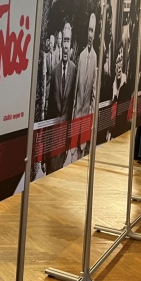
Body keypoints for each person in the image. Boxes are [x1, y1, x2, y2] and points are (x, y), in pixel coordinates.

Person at [45, 22, 77, 174]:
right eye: (64, 40)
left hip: (65, 139)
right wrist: (44, 153)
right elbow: (49, 112)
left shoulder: (74, 70)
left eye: (68, 41)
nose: (65, 45)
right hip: (53, 139)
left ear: (70, 46)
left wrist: (70, 141)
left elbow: (72, 108)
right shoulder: (54, 72)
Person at [70, 13, 97, 161]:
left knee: (83, 153)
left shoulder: (95, 57)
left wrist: (92, 110)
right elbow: (75, 87)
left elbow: (94, 87)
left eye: (93, 31)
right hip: (77, 112)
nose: (90, 35)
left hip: (86, 113)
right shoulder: (80, 56)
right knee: (73, 154)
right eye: (89, 30)